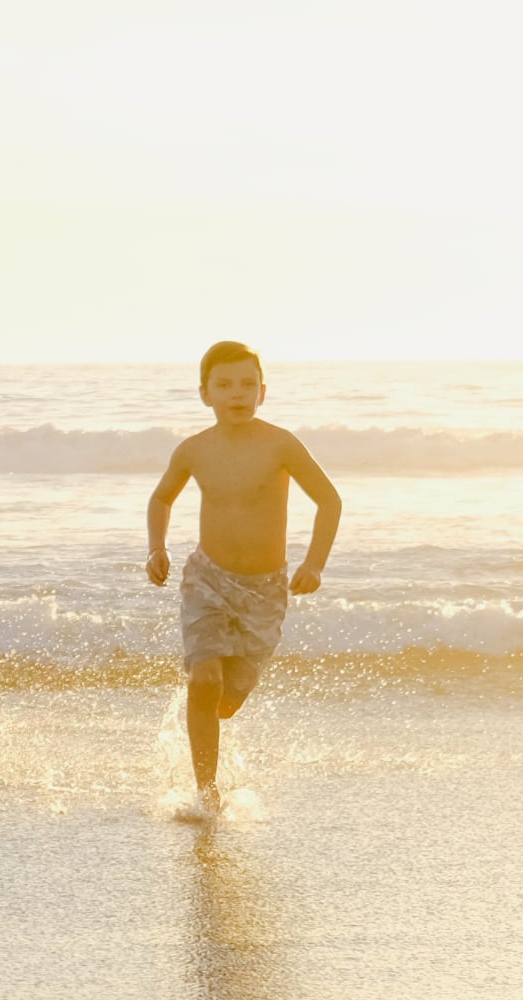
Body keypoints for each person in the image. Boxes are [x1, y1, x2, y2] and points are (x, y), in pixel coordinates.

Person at [146, 341, 341, 816]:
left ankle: (200, 723)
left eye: (248, 384)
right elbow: (161, 498)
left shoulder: (280, 444)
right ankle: (206, 793)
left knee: (227, 701)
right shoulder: (194, 449)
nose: (238, 393)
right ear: (204, 394)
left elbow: (329, 501)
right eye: (225, 385)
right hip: (206, 579)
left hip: (265, 590)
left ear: (263, 392)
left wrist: (314, 563)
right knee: (205, 680)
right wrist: (157, 546)